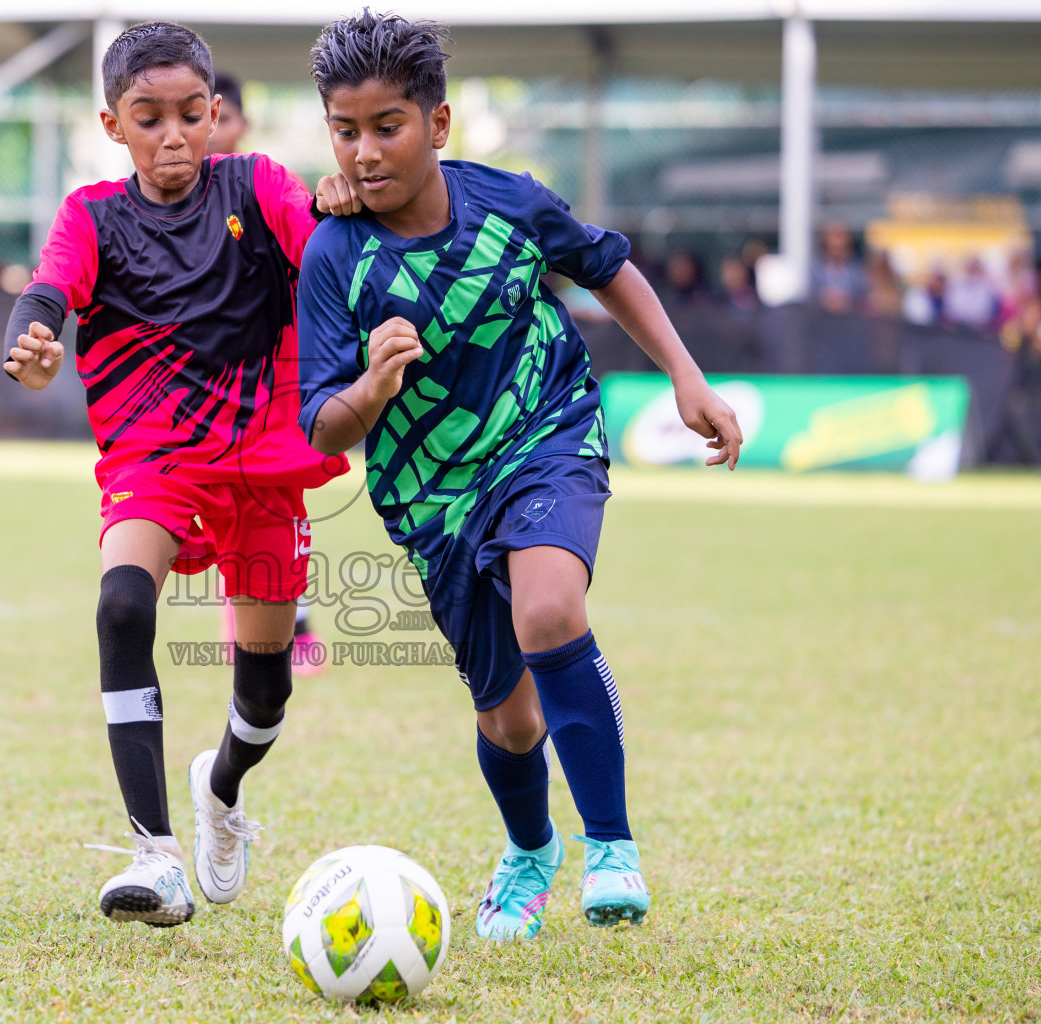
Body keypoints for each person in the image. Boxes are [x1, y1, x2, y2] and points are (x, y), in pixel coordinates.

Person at [296, 11, 741, 941]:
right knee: (507, 722)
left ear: (440, 124)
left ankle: (610, 846)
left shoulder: (511, 202)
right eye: (347, 130)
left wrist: (685, 376)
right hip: (432, 501)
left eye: (390, 126)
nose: (367, 150)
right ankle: (531, 846)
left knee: (549, 610)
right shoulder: (334, 253)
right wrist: (375, 384)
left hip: (547, 431)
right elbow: (325, 426)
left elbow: (608, 267)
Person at [2, 21, 358, 928]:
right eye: (148, 116)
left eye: (191, 115)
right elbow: (46, 295)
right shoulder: (91, 215)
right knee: (121, 606)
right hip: (153, 461)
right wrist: (32, 345)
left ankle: (222, 788)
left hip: (265, 461)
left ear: (216, 116)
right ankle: (153, 854)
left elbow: (321, 246)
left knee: (266, 693)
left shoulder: (257, 184)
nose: (173, 136)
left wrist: (338, 207)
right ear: (112, 123)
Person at [206, 69, 328, 676]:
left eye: (218, 118)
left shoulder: (263, 186)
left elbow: (309, 246)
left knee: (280, 507)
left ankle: (292, 626)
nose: (207, 132)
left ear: (237, 121)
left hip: (271, 384)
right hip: (201, 396)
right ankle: (243, 621)